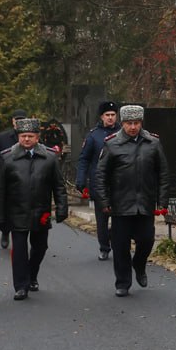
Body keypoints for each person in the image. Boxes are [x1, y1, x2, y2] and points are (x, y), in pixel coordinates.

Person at [94, 103, 168, 297]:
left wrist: (162, 200)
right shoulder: (112, 144)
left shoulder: (153, 143)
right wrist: (104, 201)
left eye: (136, 123)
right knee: (120, 246)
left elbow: (163, 173)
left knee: (146, 240)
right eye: (129, 123)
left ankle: (139, 264)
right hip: (120, 204)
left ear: (141, 123)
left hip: (145, 203)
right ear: (122, 123)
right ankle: (123, 282)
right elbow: (101, 176)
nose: (133, 127)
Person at [0, 118, 68, 300]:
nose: (26, 139)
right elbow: (0, 190)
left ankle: (32, 275)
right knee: (19, 251)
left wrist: (62, 208)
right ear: (18, 136)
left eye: (30, 136)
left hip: (40, 211)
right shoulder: (8, 157)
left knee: (40, 247)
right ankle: (21, 286)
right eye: (23, 136)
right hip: (16, 212)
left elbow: (58, 186)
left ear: (37, 137)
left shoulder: (49, 157)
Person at [75, 101, 119, 260]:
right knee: (102, 219)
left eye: (113, 115)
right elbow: (84, 159)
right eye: (107, 115)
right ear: (102, 116)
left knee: (120, 218)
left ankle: (114, 239)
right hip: (99, 184)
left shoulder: (122, 132)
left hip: (119, 184)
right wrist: (81, 179)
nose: (110, 118)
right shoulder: (93, 135)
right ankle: (104, 247)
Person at [0, 109, 28, 249]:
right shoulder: (4, 137)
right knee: (4, 208)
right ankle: (5, 231)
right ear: (13, 121)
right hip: (5, 178)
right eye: (17, 120)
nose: (19, 122)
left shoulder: (29, 137)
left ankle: (20, 234)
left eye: (22, 120)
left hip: (24, 178)